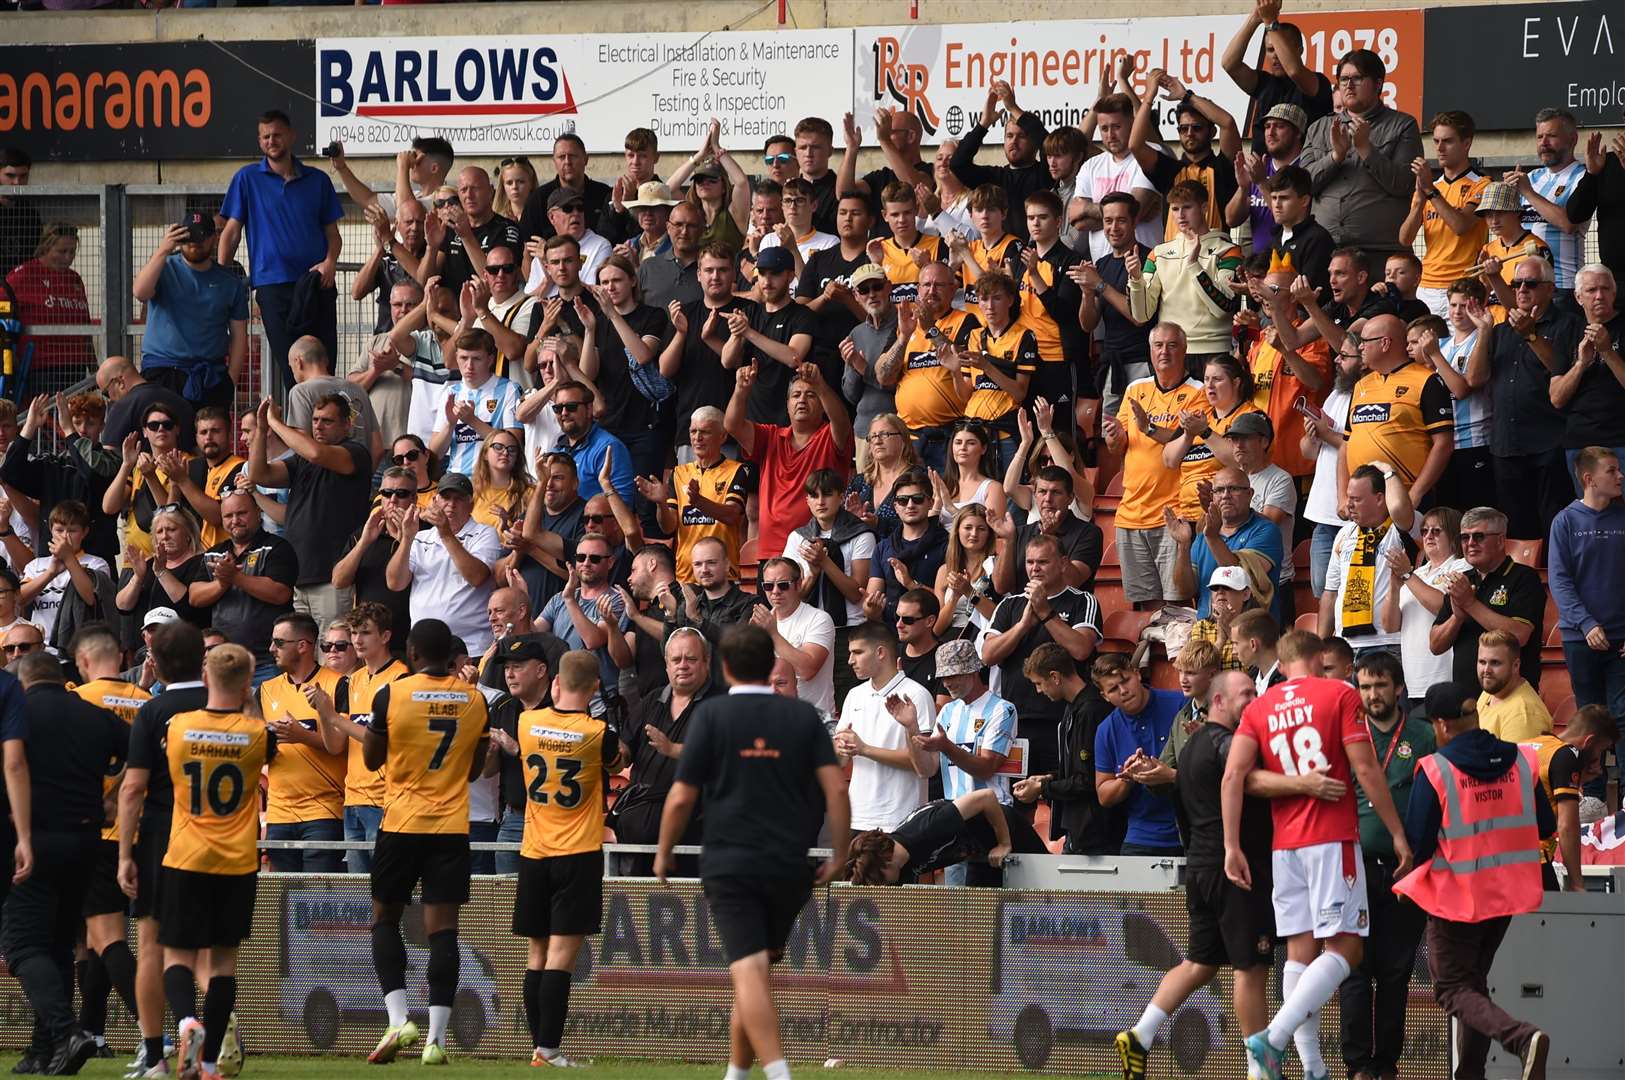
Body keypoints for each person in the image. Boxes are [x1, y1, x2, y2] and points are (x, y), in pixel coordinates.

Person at [1115, 668, 1337, 1080]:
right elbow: (1249, 781)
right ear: (1218, 701)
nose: (1254, 699)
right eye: (1245, 693)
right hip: (1236, 869)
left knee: (1200, 963)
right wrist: (1304, 783)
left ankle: (1140, 1036)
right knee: (1250, 966)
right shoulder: (1229, 744)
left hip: (1200, 866)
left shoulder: (1193, 742)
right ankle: (1260, 1067)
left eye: (1256, 691)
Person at [655, 623, 848, 1080]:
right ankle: (736, 1073)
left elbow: (682, 796)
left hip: (731, 861)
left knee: (748, 969)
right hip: (788, 864)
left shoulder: (713, 716)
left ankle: (778, 1073)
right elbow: (836, 790)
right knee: (756, 969)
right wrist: (839, 852)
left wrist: (664, 850)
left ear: (722, 668)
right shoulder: (803, 718)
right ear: (771, 665)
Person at [1223, 629, 1413, 1080]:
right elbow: (1365, 767)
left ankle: (1312, 1067)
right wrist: (1397, 834)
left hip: (1283, 846)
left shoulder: (1259, 706)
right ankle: (1274, 1037)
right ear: (1320, 657)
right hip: (1331, 838)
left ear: (1283, 662)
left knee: (1300, 952)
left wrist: (1232, 846)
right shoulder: (1339, 694)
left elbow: (1234, 778)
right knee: (1347, 950)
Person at [1390, 684, 1554, 1080]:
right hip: (1507, 896)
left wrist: (1406, 885)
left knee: (1451, 989)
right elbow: (1546, 825)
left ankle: (1520, 1037)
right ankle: (1471, 1074)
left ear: (1442, 725)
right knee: (1473, 986)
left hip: (1458, 898)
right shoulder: (1520, 760)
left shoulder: (1435, 768)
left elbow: (1420, 844)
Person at [364, 619, 491, 1067]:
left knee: (384, 919)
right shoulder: (475, 701)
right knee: (444, 933)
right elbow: (474, 771)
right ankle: (436, 1041)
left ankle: (398, 1019)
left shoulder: (392, 694)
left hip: (401, 823)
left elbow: (372, 758)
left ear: (413, 653)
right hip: (451, 828)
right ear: (452, 657)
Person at [144, 643, 266, 1080]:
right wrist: (248, 700)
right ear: (247, 682)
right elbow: (258, 735)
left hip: (186, 854)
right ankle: (210, 1062)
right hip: (236, 862)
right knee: (223, 964)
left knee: (175, 952)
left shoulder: (179, 726)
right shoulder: (257, 734)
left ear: (206, 676)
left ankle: (184, 1022)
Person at [1, 651, 124, 1076]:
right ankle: (45, 1050)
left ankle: (66, 1031)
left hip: (30, 838)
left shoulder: (18, 712)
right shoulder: (92, 714)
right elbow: (144, 751)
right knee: (57, 945)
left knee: (21, 945)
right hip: (86, 840)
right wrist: (112, 798)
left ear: (23, 680)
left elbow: (11, 766)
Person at [511, 649, 618, 1068]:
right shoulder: (597, 732)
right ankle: (549, 1050)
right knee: (561, 957)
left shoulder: (525, 723)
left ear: (555, 682)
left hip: (534, 851)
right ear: (593, 688)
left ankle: (539, 1048)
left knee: (536, 954)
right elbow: (617, 759)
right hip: (577, 853)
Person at [116, 622, 210, 1080]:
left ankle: (155, 1055)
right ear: (202, 660)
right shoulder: (223, 707)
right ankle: (215, 1035)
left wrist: (124, 853)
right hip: (217, 835)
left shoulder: (152, 711)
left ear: (154, 660)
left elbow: (132, 789)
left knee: (152, 944)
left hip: (160, 833)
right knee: (211, 946)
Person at [1339, 650, 1433, 1080]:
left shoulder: (1424, 735)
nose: (1372, 694)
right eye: (1364, 686)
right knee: (1354, 972)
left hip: (1405, 871)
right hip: (1352, 868)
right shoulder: (1346, 733)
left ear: (1398, 688)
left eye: (1380, 685)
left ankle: (1387, 1064)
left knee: (1395, 973)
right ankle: (1358, 1065)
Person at [68, 623, 148, 1060]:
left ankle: (154, 1029)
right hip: (138, 831)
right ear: (121, 658)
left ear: (83, 662)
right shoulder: (147, 702)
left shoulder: (77, 701)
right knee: (95, 937)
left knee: (103, 935)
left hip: (92, 830)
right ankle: (93, 1032)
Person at [219, 110, 342, 395]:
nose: (271, 141)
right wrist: (221, 278)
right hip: (273, 286)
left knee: (325, 366)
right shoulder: (247, 178)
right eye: (265, 137)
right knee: (292, 370)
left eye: (277, 135)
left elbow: (333, 235)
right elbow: (232, 231)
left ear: (291, 136)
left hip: (316, 283)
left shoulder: (318, 180)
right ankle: (299, 436)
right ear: (260, 141)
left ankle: (332, 435)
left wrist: (330, 263)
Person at [1464, 257, 1583, 537]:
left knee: (1555, 525)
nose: (1522, 290)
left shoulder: (1568, 325)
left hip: (1549, 442)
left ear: (1550, 289)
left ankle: (1555, 581)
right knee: (1515, 529)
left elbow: (1565, 370)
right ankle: (1523, 581)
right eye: (1516, 284)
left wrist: (1531, 336)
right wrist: (1483, 331)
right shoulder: (1501, 329)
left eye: (1531, 284)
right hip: (1506, 444)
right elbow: (1475, 379)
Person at [978, 531, 1101, 777]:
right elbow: (988, 655)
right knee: (1017, 798)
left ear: (1063, 563)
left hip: (1063, 717)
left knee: (1059, 790)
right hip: (1015, 719)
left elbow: (1081, 649)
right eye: (1030, 562)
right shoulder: (1009, 604)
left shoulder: (1082, 601)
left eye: (1043, 562)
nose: (1035, 568)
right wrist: (1023, 626)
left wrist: (1046, 614)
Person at [251, 394, 371, 633]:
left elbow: (317, 453)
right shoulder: (302, 460)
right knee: (304, 657)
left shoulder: (355, 453)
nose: (318, 425)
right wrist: (262, 430)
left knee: (334, 654)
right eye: (315, 420)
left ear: (347, 424)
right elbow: (259, 474)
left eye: (327, 421)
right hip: (299, 576)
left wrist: (275, 423)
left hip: (332, 578)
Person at [1103, 325, 1203, 611]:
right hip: (1131, 514)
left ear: (1184, 350)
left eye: (1172, 345)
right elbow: (1117, 446)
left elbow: (1187, 439)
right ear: (1150, 350)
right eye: (1158, 345)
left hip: (1172, 513)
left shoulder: (1197, 391)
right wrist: (1115, 438)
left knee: (1178, 603)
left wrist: (1148, 427)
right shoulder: (1136, 389)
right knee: (1146, 607)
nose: (1164, 351)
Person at [308, 601, 408, 876]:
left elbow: (386, 739)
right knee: (358, 893)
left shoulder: (401, 677)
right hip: (352, 798)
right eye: (354, 633)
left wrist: (335, 717)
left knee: (385, 886)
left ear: (385, 636)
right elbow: (336, 745)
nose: (357, 640)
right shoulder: (353, 680)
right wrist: (325, 714)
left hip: (385, 799)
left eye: (365, 632)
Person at [1297, 49, 1422, 265]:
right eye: (1344, 79)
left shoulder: (1403, 125)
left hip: (1378, 253)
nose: (1349, 85)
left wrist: (1366, 150)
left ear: (1378, 84)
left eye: (1357, 78)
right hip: (1324, 250)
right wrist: (1336, 156)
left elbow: (1403, 185)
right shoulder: (1319, 128)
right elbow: (1303, 187)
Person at [726, 362, 853, 562]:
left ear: (822, 404)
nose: (802, 400)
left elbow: (841, 421)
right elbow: (732, 426)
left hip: (815, 552)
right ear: (787, 405)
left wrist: (819, 384)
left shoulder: (829, 436)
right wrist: (741, 391)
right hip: (770, 553)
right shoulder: (770, 437)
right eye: (796, 395)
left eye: (811, 395)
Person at [132, 211, 248, 410]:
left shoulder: (230, 282)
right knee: (161, 434)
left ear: (213, 238)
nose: (195, 243)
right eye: (189, 237)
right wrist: (163, 249)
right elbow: (140, 292)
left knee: (208, 437)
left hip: (209, 374)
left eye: (201, 237)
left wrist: (230, 380)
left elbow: (239, 336)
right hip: (163, 370)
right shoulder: (164, 267)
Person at [1014, 644, 1121, 855]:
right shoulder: (1073, 708)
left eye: (1039, 683)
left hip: (1095, 832)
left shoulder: (1091, 711)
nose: (1038, 690)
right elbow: (1077, 770)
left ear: (1055, 676)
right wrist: (1046, 779)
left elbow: (1088, 780)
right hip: (1079, 828)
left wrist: (1043, 789)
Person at [1339, 314, 1454, 507]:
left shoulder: (1427, 380)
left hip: (1405, 498)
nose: (1360, 347)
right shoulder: (1361, 385)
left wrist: (1416, 493)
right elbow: (1346, 444)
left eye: (1365, 341)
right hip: (1362, 502)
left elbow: (1444, 443)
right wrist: (1343, 497)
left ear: (1385, 343)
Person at [1428, 506, 1545, 693]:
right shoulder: (1460, 580)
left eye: (1479, 536)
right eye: (1465, 537)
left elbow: (1519, 636)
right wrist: (1457, 618)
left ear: (1500, 541)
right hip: (1466, 700)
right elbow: (1435, 645)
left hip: (1510, 697)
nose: (1470, 543)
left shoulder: (1524, 578)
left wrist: (1469, 604)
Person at [833, 622, 936, 835]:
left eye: (857, 652)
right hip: (857, 816)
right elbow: (841, 761)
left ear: (880, 652)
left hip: (901, 818)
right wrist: (841, 749)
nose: (850, 660)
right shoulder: (854, 695)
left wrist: (864, 749)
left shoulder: (916, 695)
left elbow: (924, 766)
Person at [1549, 446, 1625, 727]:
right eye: (1612, 470)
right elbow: (1559, 580)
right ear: (1589, 479)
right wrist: (1586, 623)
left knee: (1623, 714)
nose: (1620, 475)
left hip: (1621, 638)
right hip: (1580, 636)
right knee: (1590, 717)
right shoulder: (1565, 521)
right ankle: (1593, 773)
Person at [387, 472, 502, 656]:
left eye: (459, 499)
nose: (451, 504)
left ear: (471, 504)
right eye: (446, 498)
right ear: (435, 501)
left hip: (471, 649)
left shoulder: (485, 534)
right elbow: (395, 582)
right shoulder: (420, 537)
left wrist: (446, 533)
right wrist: (407, 539)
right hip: (425, 649)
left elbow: (477, 577)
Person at [1128, 181, 1244, 363]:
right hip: (1170, 351)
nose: (1180, 215)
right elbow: (1142, 315)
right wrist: (1136, 280)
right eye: (1175, 209)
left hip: (1214, 351)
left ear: (1204, 207)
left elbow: (1223, 308)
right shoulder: (1159, 253)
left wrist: (1194, 265)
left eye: (1187, 207)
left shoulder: (1228, 250)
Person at [1091, 652, 1184, 857]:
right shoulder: (1106, 730)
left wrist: (1166, 772)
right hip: (1142, 836)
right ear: (1104, 696)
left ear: (1137, 674)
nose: (1123, 691)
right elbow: (1104, 796)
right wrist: (1128, 777)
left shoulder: (1180, 704)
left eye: (1125, 681)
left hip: (1189, 830)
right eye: (1113, 689)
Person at [1413, 280, 1495, 511]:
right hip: (1445, 443)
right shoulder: (1445, 344)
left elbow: (1463, 389)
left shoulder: (1481, 340)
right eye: (1453, 305)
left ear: (1479, 307)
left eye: (1465, 306)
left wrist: (1435, 357)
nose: (1458, 311)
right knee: (1448, 513)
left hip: (1474, 440)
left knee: (1474, 512)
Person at [1318, 463, 1416, 656]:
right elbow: (1330, 593)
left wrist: (1388, 471)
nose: (1349, 505)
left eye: (1356, 499)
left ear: (1380, 498)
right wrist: (1320, 646)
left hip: (1388, 642)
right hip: (1345, 646)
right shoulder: (1343, 535)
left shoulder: (1398, 529)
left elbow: (1398, 507)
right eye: (1348, 498)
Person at [1400, 111, 1489, 318]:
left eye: (1447, 141)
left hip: (1463, 286)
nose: (1439, 148)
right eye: (1436, 141)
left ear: (1466, 144)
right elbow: (1405, 238)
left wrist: (1431, 192)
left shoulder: (1482, 183)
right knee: (1421, 348)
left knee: (1459, 349)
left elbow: (1461, 226)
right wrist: (1420, 202)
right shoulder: (1430, 187)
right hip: (1426, 285)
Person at [1382, 506, 1469, 711]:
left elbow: (1444, 607)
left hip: (1445, 675)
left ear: (1454, 535)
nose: (1428, 536)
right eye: (1424, 531)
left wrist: (1407, 576)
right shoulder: (1417, 573)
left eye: (1436, 531)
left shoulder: (1461, 566)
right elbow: (1390, 626)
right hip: (1412, 681)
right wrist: (1394, 588)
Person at [1171, 465, 1283, 622]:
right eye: (1219, 490)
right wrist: (1183, 545)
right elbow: (1185, 591)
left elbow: (1242, 578)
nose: (1225, 495)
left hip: (1250, 632)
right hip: (1207, 629)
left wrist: (1213, 537)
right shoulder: (1204, 534)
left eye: (1234, 489)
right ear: (1212, 496)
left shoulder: (1265, 530)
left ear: (1249, 494)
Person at [1221, 4, 1334, 157]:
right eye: (1270, 49)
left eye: (1280, 48)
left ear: (1299, 50)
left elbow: (1294, 71)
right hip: (1264, 175)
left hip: (1303, 175)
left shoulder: (1318, 82)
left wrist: (1270, 21)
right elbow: (1229, 64)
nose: (1275, 55)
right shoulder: (1264, 83)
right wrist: (1256, 16)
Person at [1077, 192, 1154, 414]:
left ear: (1134, 222)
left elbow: (1138, 316)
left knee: (1143, 433)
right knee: (1109, 437)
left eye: (1121, 220)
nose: (1113, 227)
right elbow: (1088, 325)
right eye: (1108, 221)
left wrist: (1100, 285)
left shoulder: (1149, 259)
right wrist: (1087, 294)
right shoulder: (1102, 264)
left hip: (1143, 362)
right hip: (1112, 365)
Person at [1526, 704, 1615, 891]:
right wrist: (1576, 882)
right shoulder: (1566, 755)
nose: (1599, 758)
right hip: (1535, 861)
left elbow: (1542, 791)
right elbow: (1567, 826)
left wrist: (1580, 778)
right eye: (1602, 750)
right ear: (1589, 741)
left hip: (1505, 861)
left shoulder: (1527, 744)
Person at [1550, 265, 1625, 472]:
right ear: (1578, 297)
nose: (1599, 296)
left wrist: (1607, 351)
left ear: (1614, 292)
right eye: (1591, 290)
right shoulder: (1568, 331)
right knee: (1588, 505)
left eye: (1605, 289)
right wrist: (1581, 364)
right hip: (1580, 441)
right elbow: (1556, 398)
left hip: (1620, 439)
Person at [1514, 107, 1593, 302]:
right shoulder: (1531, 177)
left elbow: (1568, 223)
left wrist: (1528, 193)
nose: (1544, 143)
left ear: (1572, 139)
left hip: (1563, 286)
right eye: (1540, 137)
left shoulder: (1583, 177)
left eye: (1551, 136)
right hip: (1525, 285)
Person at [1073, 93, 1162, 260]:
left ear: (1132, 124)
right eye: (1104, 129)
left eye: (1116, 127)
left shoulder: (1148, 157)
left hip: (1146, 265)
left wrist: (1086, 209)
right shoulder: (1091, 166)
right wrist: (1127, 217)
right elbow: (1077, 221)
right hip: (1103, 267)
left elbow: (1137, 211)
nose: (1110, 135)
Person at [6, 223, 96, 386]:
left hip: (76, 365)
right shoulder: (24, 275)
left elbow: (85, 326)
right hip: (41, 367)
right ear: (46, 247)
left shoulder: (74, 279)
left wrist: (93, 365)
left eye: (72, 252)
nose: (68, 258)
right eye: (62, 252)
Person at [19, 499, 112, 652]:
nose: (65, 536)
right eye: (60, 530)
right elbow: (19, 599)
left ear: (85, 532)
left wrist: (69, 558)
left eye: (72, 530)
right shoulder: (35, 565)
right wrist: (51, 573)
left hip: (80, 649)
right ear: (50, 530)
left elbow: (91, 598)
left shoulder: (97, 563)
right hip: (41, 649)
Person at [430, 329, 523, 479]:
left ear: (490, 359)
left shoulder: (509, 389)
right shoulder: (450, 393)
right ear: (456, 358)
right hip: (456, 480)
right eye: (464, 358)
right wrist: (450, 425)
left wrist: (472, 421)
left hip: (493, 482)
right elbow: (435, 453)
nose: (469, 366)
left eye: (477, 359)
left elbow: (514, 445)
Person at [522, 133, 612, 248]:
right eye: (561, 157)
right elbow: (527, 250)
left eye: (573, 156)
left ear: (586, 159)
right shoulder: (538, 199)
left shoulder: (604, 194)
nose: (567, 162)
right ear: (554, 161)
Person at [96, 356, 197, 457]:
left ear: (120, 382)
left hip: (141, 470)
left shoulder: (122, 407)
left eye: (106, 393)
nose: (109, 399)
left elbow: (109, 457)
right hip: (185, 469)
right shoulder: (181, 402)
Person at [1474, 630, 1552, 744]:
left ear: (1516, 665)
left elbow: (1516, 762)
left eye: (1495, 663)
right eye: (1482, 662)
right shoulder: (1492, 690)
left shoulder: (1523, 715)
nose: (1486, 670)